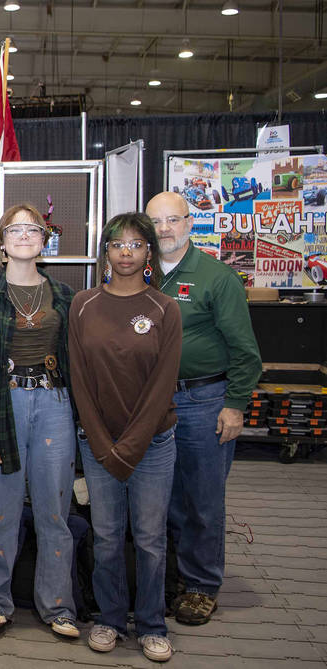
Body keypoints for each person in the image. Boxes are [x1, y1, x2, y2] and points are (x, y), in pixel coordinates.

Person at [0, 203, 80, 639]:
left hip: (54, 405)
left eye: (33, 229)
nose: (24, 235)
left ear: (44, 240)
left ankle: (58, 606)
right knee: (4, 512)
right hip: (2, 406)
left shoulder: (66, 298)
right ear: (2, 242)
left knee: (54, 513)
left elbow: (79, 364)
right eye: (15, 229)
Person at [69, 212, 182, 663]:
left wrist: (129, 447)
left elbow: (162, 386)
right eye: (118, 245)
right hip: (98, 445)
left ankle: (152, 623)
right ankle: (110, 619)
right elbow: (78, 378)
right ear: (107, 253)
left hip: (152, 446)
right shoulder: (83, 304)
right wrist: (100, 443)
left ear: (148, 253)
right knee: (107, 536)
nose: (127, 253)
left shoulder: (164, 308)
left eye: (136, 245)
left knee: (151, 539)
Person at [146, 191, 262, 626]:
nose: (164, 230)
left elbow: (247, 353)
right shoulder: (141, 274)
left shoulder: (216, 278)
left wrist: (235, 406)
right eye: (156, 222)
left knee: (202, 499)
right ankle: (173, 577)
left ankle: (200, 586)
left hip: (203, 401)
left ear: (190, 223)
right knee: (163, 497)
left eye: (172, 220)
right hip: (154, 401)